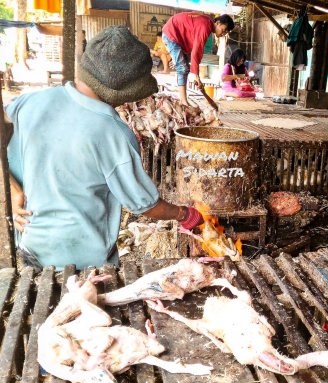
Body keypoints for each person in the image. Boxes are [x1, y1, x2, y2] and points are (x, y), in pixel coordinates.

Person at [7, 26, 204, 272]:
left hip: (30, 244)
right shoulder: (113, 133)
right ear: (126, 90)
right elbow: (145, 205)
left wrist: (14, 191)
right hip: (82, 263)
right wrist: (183, 214)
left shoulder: (30, 102)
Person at [162, 13, 234, 106]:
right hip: (171, 34)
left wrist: (178, 58)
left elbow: (196, 49)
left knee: (185, 67)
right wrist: (197, 77)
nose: (223, 33)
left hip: (177, 37)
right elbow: (196, 51)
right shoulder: (205, 27)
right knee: (182, 68)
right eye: (223, 30)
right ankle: (183, 102)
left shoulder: (206, 24)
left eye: (225, 33)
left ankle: (182, 101)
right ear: (218, 23)